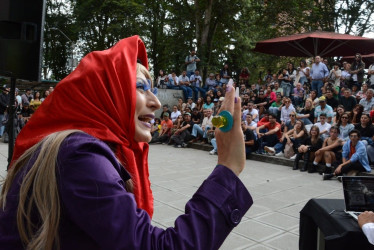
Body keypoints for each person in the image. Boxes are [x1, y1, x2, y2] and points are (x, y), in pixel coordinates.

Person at [0, 36, 252, 249]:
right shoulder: (80, 157)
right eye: (140, 87)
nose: (156, 102)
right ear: (105, 92)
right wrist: (227, 168)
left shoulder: (73, 149)